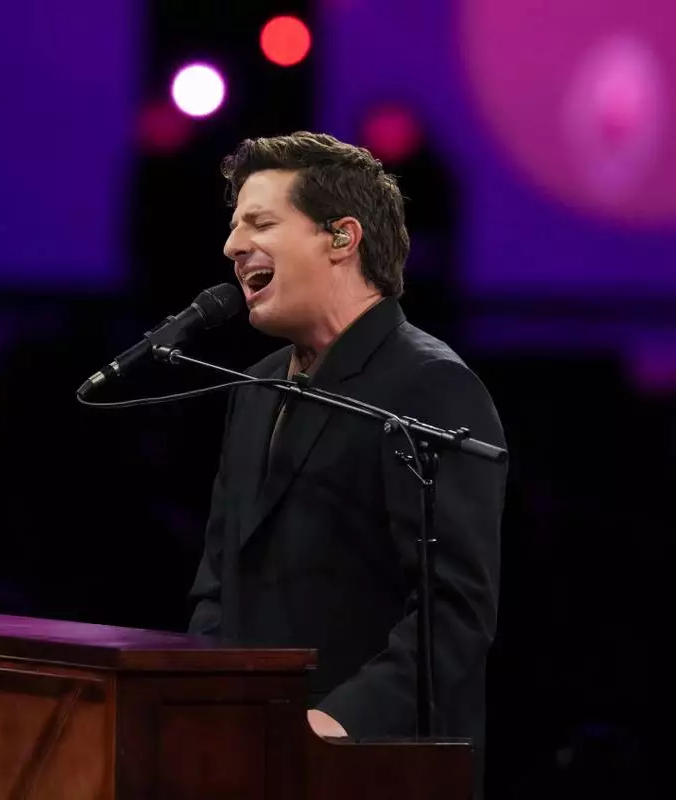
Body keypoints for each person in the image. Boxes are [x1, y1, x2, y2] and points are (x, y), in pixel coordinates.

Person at [186, 131, 508, 789]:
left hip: (371, 769)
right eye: (235, 225)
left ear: (342, 238)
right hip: (250, 762)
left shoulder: (430, 383)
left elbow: (453, 613)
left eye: (260, 223)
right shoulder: (254, 388)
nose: (232, 245)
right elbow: (218, 583)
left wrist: (335, 723)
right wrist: (210, 707)